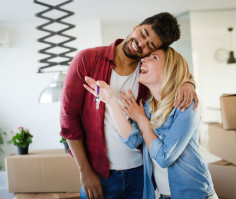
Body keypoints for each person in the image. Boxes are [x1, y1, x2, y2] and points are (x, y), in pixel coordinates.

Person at [60, 12, 198, 199]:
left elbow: (174, 70)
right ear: (137, 26)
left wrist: (189, 82)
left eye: (150, 46)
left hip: (141, 174)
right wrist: (84, 171)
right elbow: (68, 118)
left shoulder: (146, 74)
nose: (141, 43)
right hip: (99, 174)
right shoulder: (87, 59)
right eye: (143, 33)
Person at [84, 47, 217, 199]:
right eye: (145, 58)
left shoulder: (186, 105)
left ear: (170, 69)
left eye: (154, 58)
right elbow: (132, 140)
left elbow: (164, 157)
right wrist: (111, 101)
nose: (143, 60)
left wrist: (142, 121)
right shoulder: (147, 106)